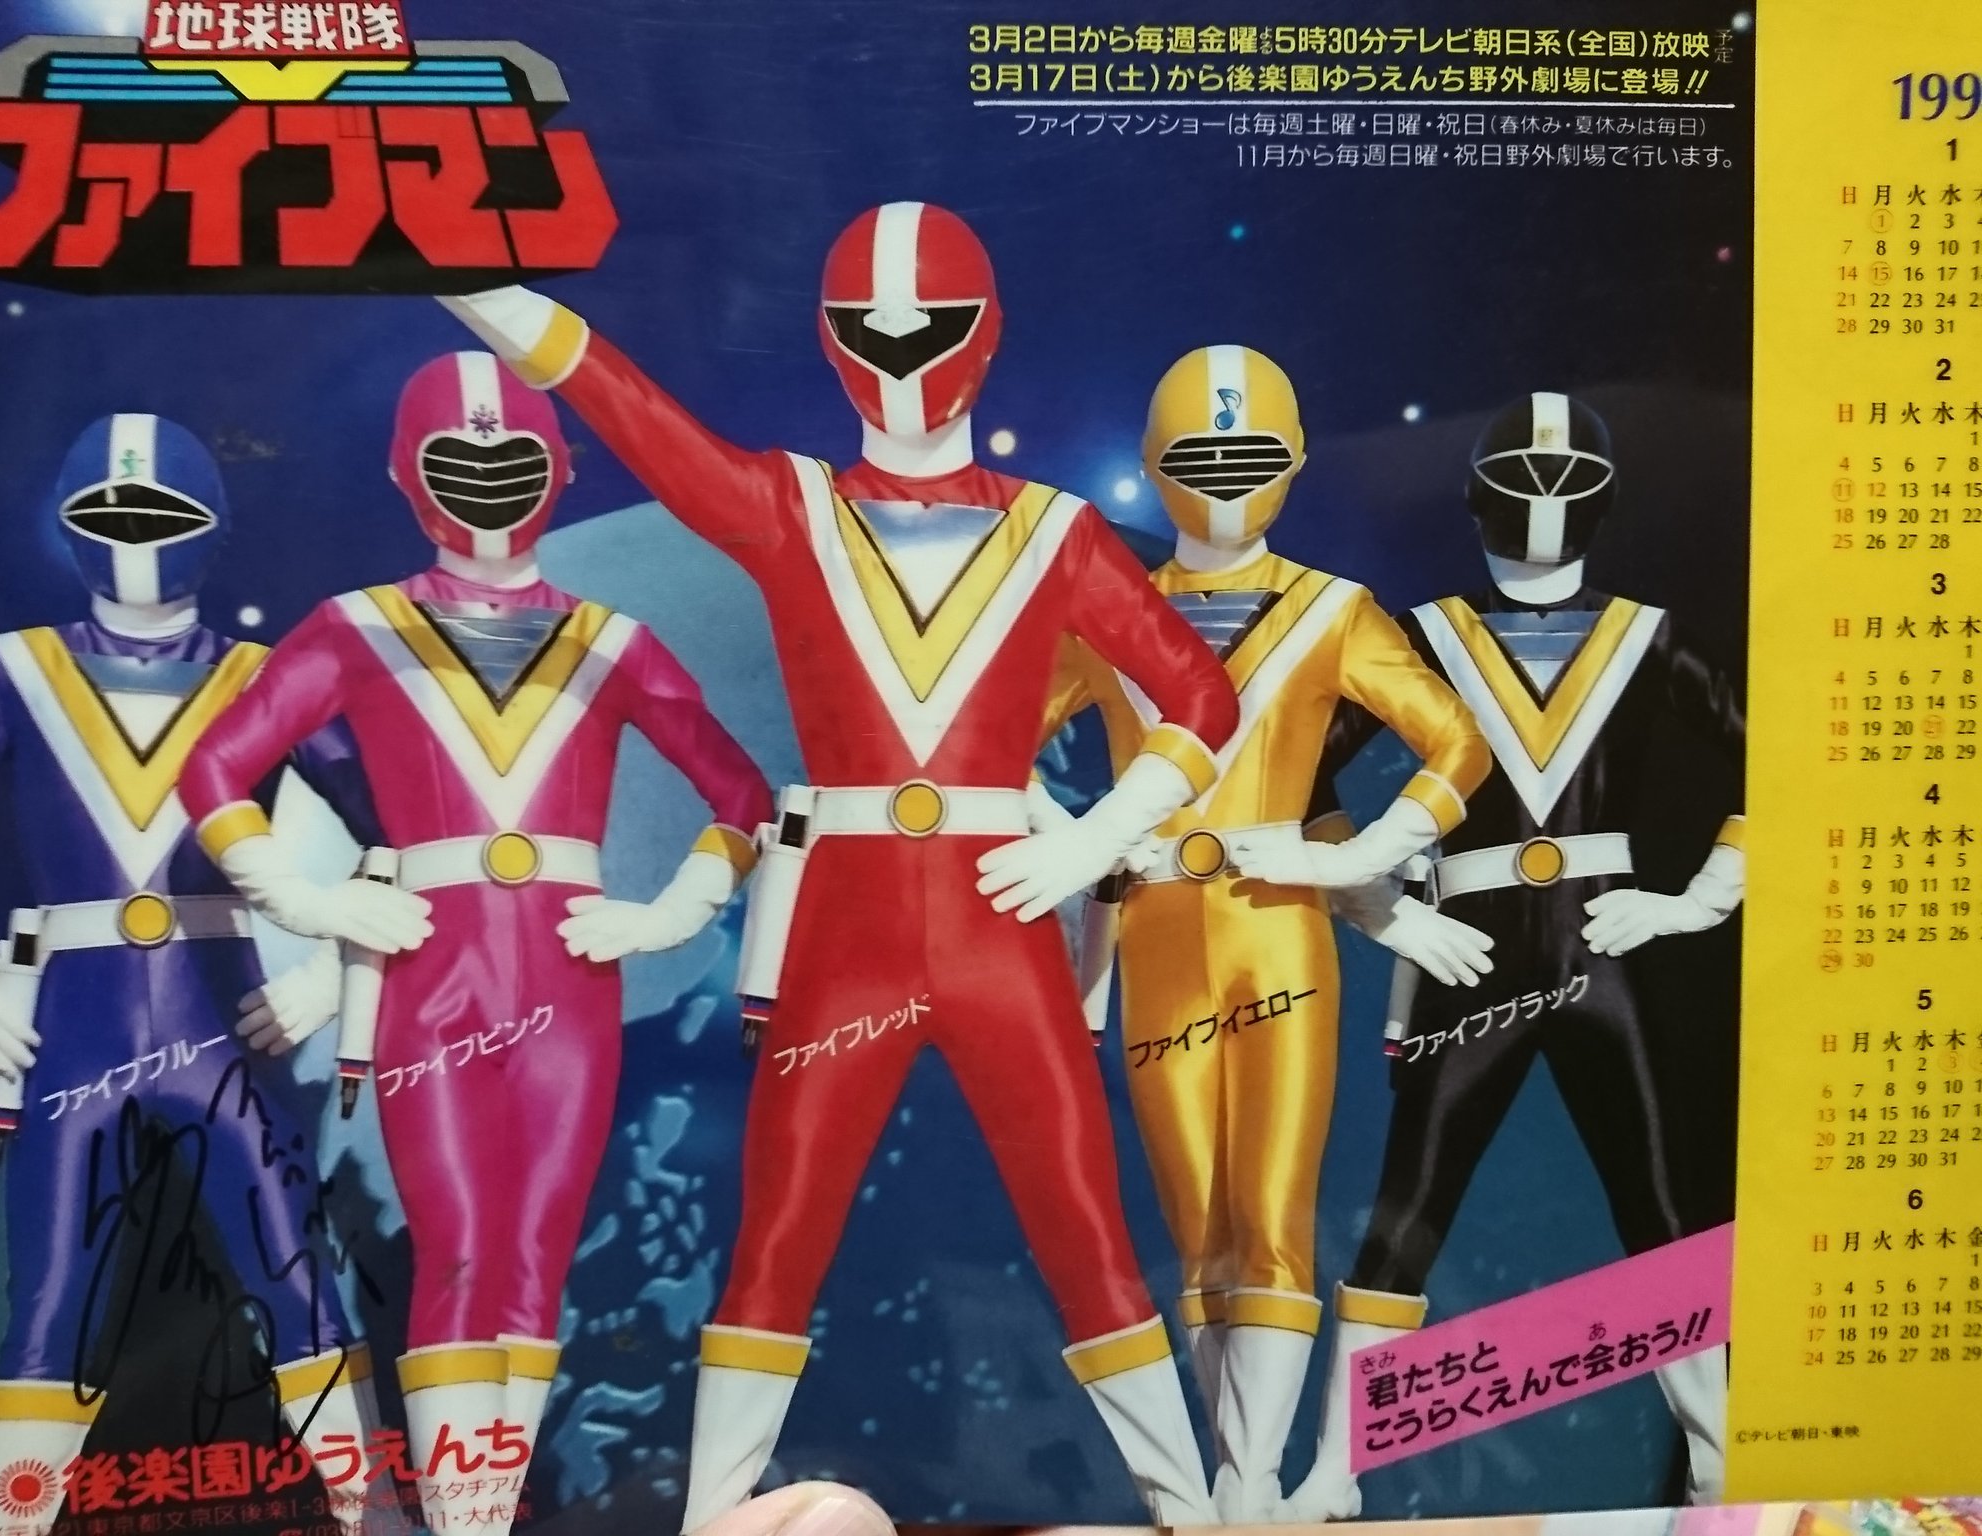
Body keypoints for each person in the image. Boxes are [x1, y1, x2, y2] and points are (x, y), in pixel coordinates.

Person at [438, 199, 1241, 1529]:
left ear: (983, 333)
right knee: (780, 1235)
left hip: (993, 917)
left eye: (930, 324)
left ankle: (1195, 1513)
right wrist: (474, 282)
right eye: (873, 326)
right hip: (852, 930)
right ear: (829, 336)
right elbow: (624, 403)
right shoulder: (787, 507)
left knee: (1084, 1228)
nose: (903, 351)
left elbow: (1200, 699)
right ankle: (713, 1517)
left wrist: (1096, 839)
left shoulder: (1051, 532)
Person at [178, 355, 772, 1534]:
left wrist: (666, 914)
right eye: (459, 457)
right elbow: (215, 768)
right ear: (408, 474)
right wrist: (314, 904)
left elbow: (742, 795)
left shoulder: (611, 640)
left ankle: (482, 1515)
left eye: (513, 457)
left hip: (567, 980)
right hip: (432, 977)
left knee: (535, 1253)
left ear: (559, 469)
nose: (489, 480)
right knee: (455, 1244)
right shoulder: (357, 626)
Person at [1038, 344, 1489, 1521]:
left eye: (1250, 456)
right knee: (1196, 1221)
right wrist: (1075, 846)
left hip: (1278, 930)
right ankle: (1232, 1474)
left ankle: (1249, 1475)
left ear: (1290, 461)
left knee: (1274, 1208)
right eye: (1200, 456)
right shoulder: (1105, 617)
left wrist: (1349, 860)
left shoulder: (1334, 611)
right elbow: (986, 747)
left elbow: (1457, 743)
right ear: (1153, 467)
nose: (1225, 481)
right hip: (1154, 935)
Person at [1287, 392, 1744, 1519]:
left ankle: (1719, 1459)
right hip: (1474, 957)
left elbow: (1778, 764)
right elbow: (1297, 772)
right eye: (1524, 479)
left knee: (1660, 1208)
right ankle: (1337, 1467)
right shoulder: (1423, 636)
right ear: (1481, 495)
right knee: (1405, 1213)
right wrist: (1381, 911)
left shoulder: (1648, 635)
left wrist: (1693, 904)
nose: (1542, 500)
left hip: (1598, 948)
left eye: (1563, 480)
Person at [0, 414, 391, 1536]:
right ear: (68, 524)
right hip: (74, 1035)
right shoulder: (13, 670)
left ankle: (372, 1515)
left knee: (296, 1283)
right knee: (47, 1308)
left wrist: (335, 976)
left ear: (211, 524)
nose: (135, 533)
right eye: (110, 510)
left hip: (219, 1023)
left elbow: (399, 838)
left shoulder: (265, 678)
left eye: (159, 510)